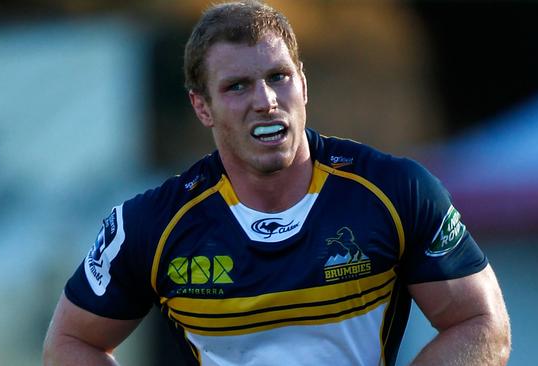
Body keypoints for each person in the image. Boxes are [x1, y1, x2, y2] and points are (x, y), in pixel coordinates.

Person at [43, 1, 511, 365]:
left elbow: (480, 322)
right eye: (237, 86)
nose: (266, 101)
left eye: (278, 77)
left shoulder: (395, 192)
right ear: (202, 106)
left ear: (303, 86)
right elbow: (69, 342)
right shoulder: (151, 224)